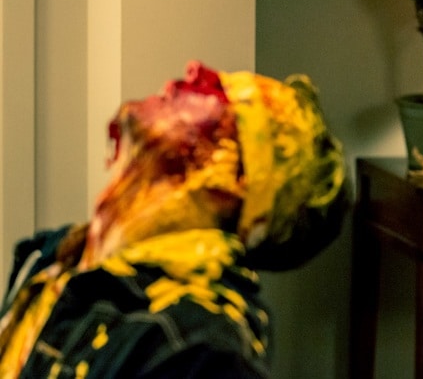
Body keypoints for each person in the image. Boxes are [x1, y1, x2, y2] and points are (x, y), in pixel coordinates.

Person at [0, 62, 347, 378]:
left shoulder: (200, 357)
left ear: (237, 175)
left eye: (220, 93)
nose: (195, 70)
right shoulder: (59, 256)